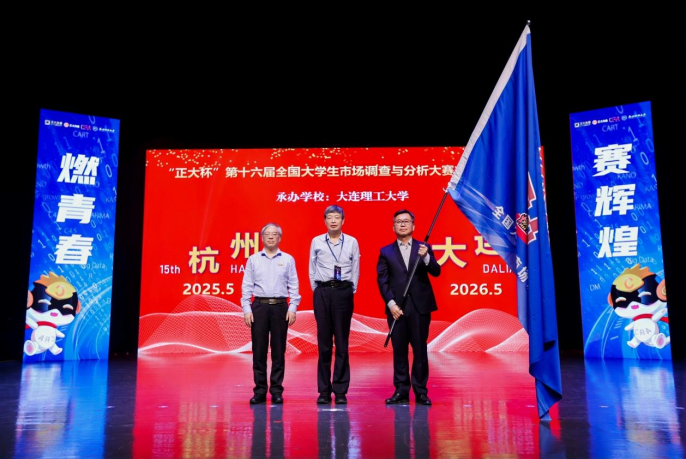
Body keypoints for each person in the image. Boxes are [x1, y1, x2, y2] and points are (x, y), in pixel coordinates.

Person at [376, 209, 441, 405]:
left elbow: (436, 271)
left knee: (420, 350)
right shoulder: (386, 252)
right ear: (393, 226)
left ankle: (421, 391)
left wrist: (426, 257)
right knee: (399, 351)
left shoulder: (424, 248)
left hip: (419, 307)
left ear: (413, 225)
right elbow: (382, 281)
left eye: (406, 221)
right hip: (397, 309)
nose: (402, 224)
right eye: (399, 222)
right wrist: (391, 304)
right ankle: (401, 390)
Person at [242, 223, 301, 405]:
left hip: (280, 307)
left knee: (278, 351)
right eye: (267, 234)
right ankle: (259, 391)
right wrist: (247, 309)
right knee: (259, 352)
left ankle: (276, 390)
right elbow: (247, 286)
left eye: (274, 234)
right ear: (262, 237)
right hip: (259, 307)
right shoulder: (253, 259)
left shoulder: (288, 259)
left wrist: (293, 307)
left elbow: (294, 285)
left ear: (279, 238)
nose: (270, 237)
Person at [309, 205, 361, 404]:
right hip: (322, 292)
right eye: (329, 217)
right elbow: (312, 268)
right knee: (323, 344)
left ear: (343, 221)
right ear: (325, 221)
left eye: (336, 217)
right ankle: (323, 391)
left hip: (343, 292)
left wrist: (349, 289)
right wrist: (318, 290)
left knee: (341, 343)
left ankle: (340, 391)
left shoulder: (352, 242)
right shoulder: (316, 241)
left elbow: (355, 267)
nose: (333, 221)